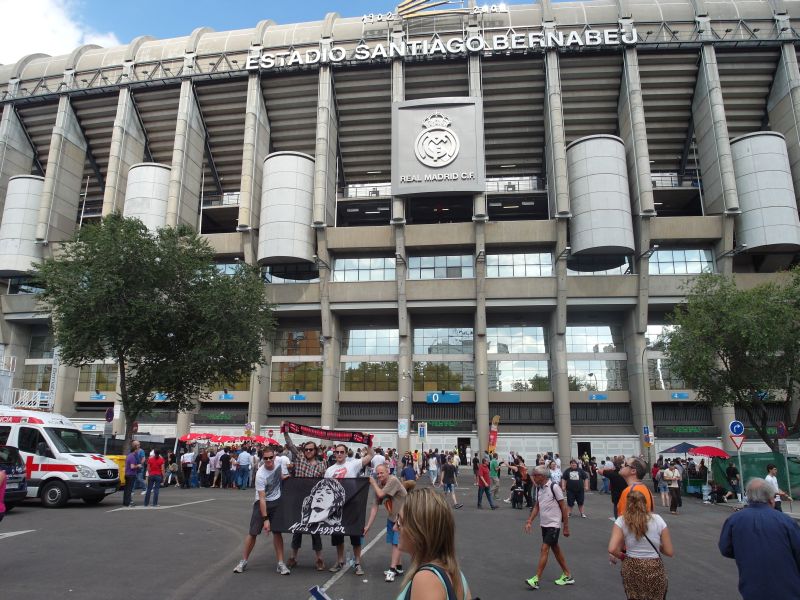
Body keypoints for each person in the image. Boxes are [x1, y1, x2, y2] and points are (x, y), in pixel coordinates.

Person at [719, 477, 800, 600]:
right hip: (788, 589)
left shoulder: (734, 520)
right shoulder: (786, 521)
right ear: (771, 498)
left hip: (752, 588)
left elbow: (725, 549)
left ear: (749, 496)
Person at [396, 487, 472, 600]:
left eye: (400, 522)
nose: (394, 528)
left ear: (418, 530)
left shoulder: (426, 579)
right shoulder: (457, 575)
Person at [233, 448, 291, 575]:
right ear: (262, 459)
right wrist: (266, 520)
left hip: (277, 502)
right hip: (261, 503)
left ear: (274, 456)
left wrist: (287, 477)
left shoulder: (279, 465)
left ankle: (280, 563)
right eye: (266, 458)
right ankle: (243, 561)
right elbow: (262, 498)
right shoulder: (260, 474)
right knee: (253, 533)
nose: (269, 460)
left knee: (277, 532)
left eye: (271, 457)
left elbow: (280, 477)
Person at [608, 490, 673, 600]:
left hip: (632, 566)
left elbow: (612, 548)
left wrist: (623, 556)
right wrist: (657, 545)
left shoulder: (622, 521)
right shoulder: (658, 520)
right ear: (645, 503)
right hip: (653, 566)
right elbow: (669, 552)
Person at [281, 425, 327, 571]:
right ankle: (293, 557)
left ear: (316, 451)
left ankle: (319, 558)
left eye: (310, 449)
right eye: (306, 449)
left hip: (314, 501)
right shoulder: (300, 458)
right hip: (299, 499)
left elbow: (325, 480)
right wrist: (285, 430)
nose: (308, 452)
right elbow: (290, 444)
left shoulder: (322, 464)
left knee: (315, 531)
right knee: (297, 529)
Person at [326, 442, 374, 576]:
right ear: (334, 453)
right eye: (337, 452)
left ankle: (357, 563)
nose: (339, 454)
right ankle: (340, 561)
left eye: (342, 452)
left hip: (352, 504)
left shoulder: (353, 464)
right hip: (336, 507)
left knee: (355, 534)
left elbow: (371, 455)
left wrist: (368, 442)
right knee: (337, 535)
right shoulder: (329, 470)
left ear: (346, 453)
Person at [523, 465, 574, 589]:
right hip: (544, 524)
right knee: (555, 548)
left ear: (543, 476)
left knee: (544, 548)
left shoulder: (554, 487)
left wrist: (566, 526)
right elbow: (537, 506)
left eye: (536, 475)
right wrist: (529, 520)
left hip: (554, 524)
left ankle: (536, 579)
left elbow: (563, 506)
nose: (533, 477)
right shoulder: (539, 489)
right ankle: (567, 575)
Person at [364, 463, 408, 582]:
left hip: (403, 516)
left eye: (382, 472)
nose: (379, 475)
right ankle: (398, 567)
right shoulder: (379, 485)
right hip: (392, 516)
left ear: (388, 471)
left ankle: (392, 570)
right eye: (377, 473)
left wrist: (372, 483)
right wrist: (368, 526)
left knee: (396, 543)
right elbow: (374, 506)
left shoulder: (392, 480)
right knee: (393, 542)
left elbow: (381, 494)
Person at [123, 441, 143, 507]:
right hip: (131, 475)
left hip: (127, 474)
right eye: (137, 450)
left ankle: (125, 502)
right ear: (134, 450)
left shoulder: (129, 455)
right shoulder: (132, 457)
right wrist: (138, 466)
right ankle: (128, 503)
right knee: (129, 490)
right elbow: (132, 467)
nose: (137, 451)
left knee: (126, 490)